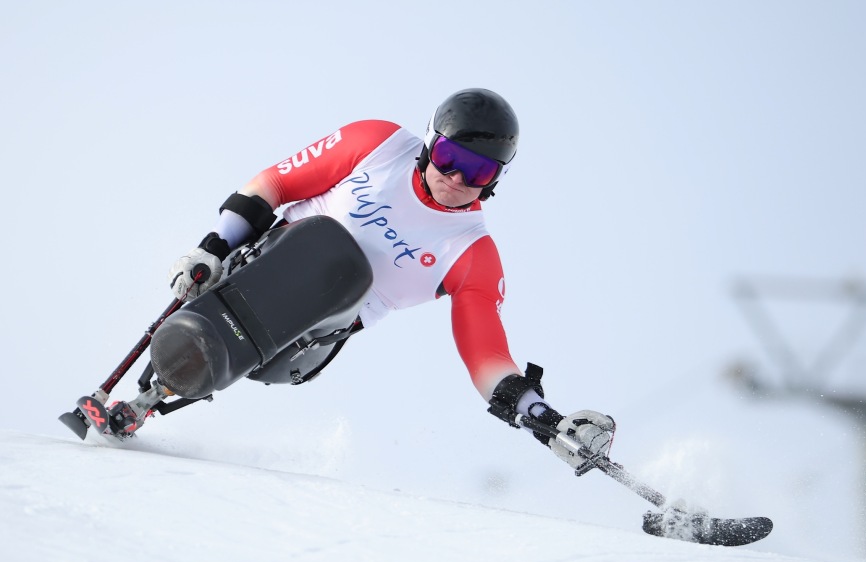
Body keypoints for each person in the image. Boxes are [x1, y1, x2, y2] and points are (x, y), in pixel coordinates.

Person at [160, 88, 615, 471]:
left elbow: (487, 356)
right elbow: (273, 185)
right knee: (319, 239)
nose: (456, 178)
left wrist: (542, 418)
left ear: (495, 181)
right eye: (448, 158)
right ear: (429, 145)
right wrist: (212, 248)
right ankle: (158, 382)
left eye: (478, 171)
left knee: (340, 263)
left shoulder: (472, 253)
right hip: (250, 269)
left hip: (301, 342)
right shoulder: (378, 144)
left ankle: (186, 363)